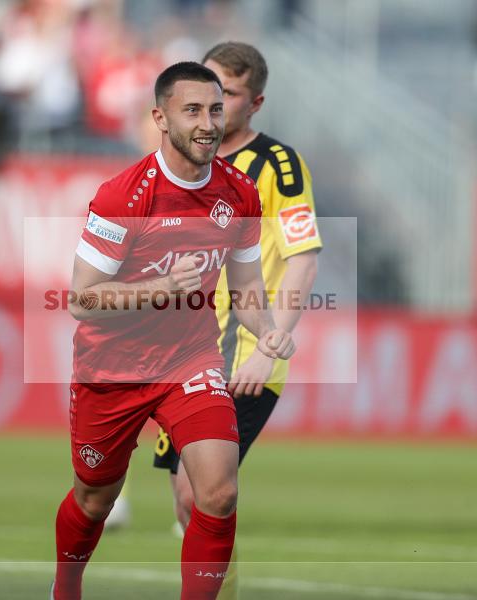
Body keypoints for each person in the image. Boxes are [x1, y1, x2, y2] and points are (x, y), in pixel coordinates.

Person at [52, 61, 295, 600]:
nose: (208, 122)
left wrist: (268, 330)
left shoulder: (240, 195)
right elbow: (82, 299)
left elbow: (249, 287)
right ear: (160, 118)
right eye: (192, 111)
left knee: (218, 491)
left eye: (214, 108)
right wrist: (158, 287)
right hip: (111, 366)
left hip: (190, 359)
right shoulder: (122, 197)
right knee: (94, 500)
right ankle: (65, 586)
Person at [149, 42, 321, 597]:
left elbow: (303, 257)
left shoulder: (278, 166)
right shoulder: (183, 159)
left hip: (239, 353)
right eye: (208, 89)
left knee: (208, 494)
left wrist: (268, 346)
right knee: (186, 497)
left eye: (230, 94)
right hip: (179, 350)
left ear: (256, 102)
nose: (215, 103)